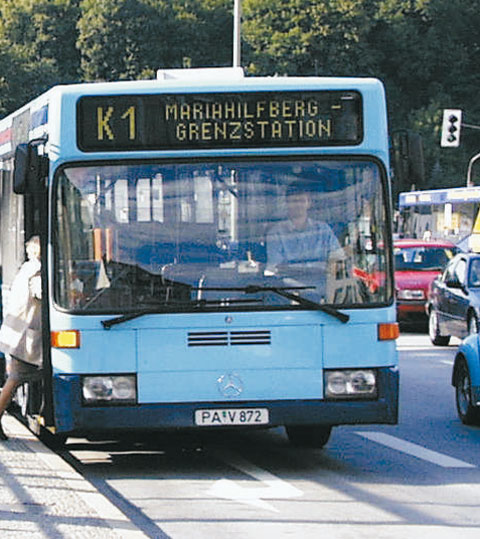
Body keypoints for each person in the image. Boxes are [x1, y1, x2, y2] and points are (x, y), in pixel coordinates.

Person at [0, 236, 42, 440]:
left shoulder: (26, 268)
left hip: (18, 335)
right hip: (25, 338)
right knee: (15, 379)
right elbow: (42, 293)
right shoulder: (36, 272)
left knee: (16, 379)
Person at [266, 182, 342, 271]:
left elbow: (339, 259)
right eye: (294, 201)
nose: (298, 205)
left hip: (322, 283)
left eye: (302, 201)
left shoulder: (323, 230)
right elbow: (275, 267)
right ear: (287, 203)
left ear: (309, 203)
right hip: (288, 283)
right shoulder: (276, 233)